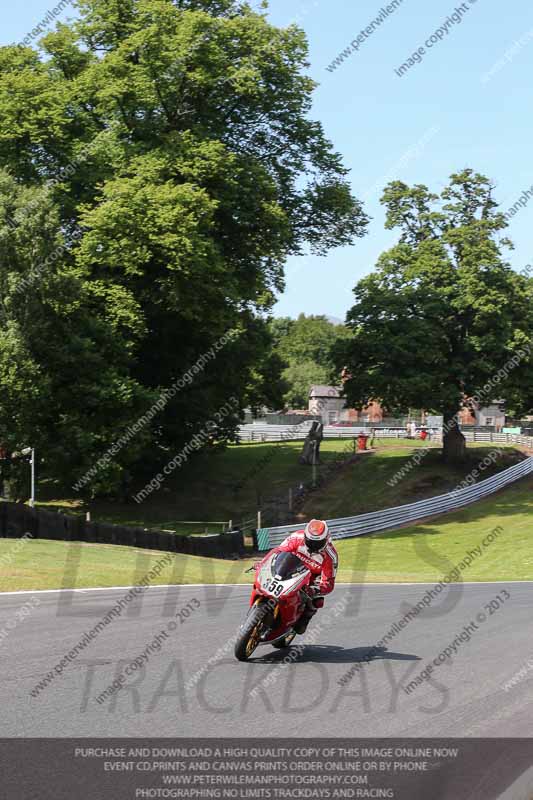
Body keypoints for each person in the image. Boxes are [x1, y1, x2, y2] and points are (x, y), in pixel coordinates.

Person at [276, 519, 338, 634]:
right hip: (292, 567)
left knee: (317, 600)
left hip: (313, 575)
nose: (313, 546)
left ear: (326, 539)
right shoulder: (296, 537)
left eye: (318, 543)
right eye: (310, 542)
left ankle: (306, 617)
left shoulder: (330, 556)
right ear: (305, 536)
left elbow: (328, 582)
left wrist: (315, 590)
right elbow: (278, 552)